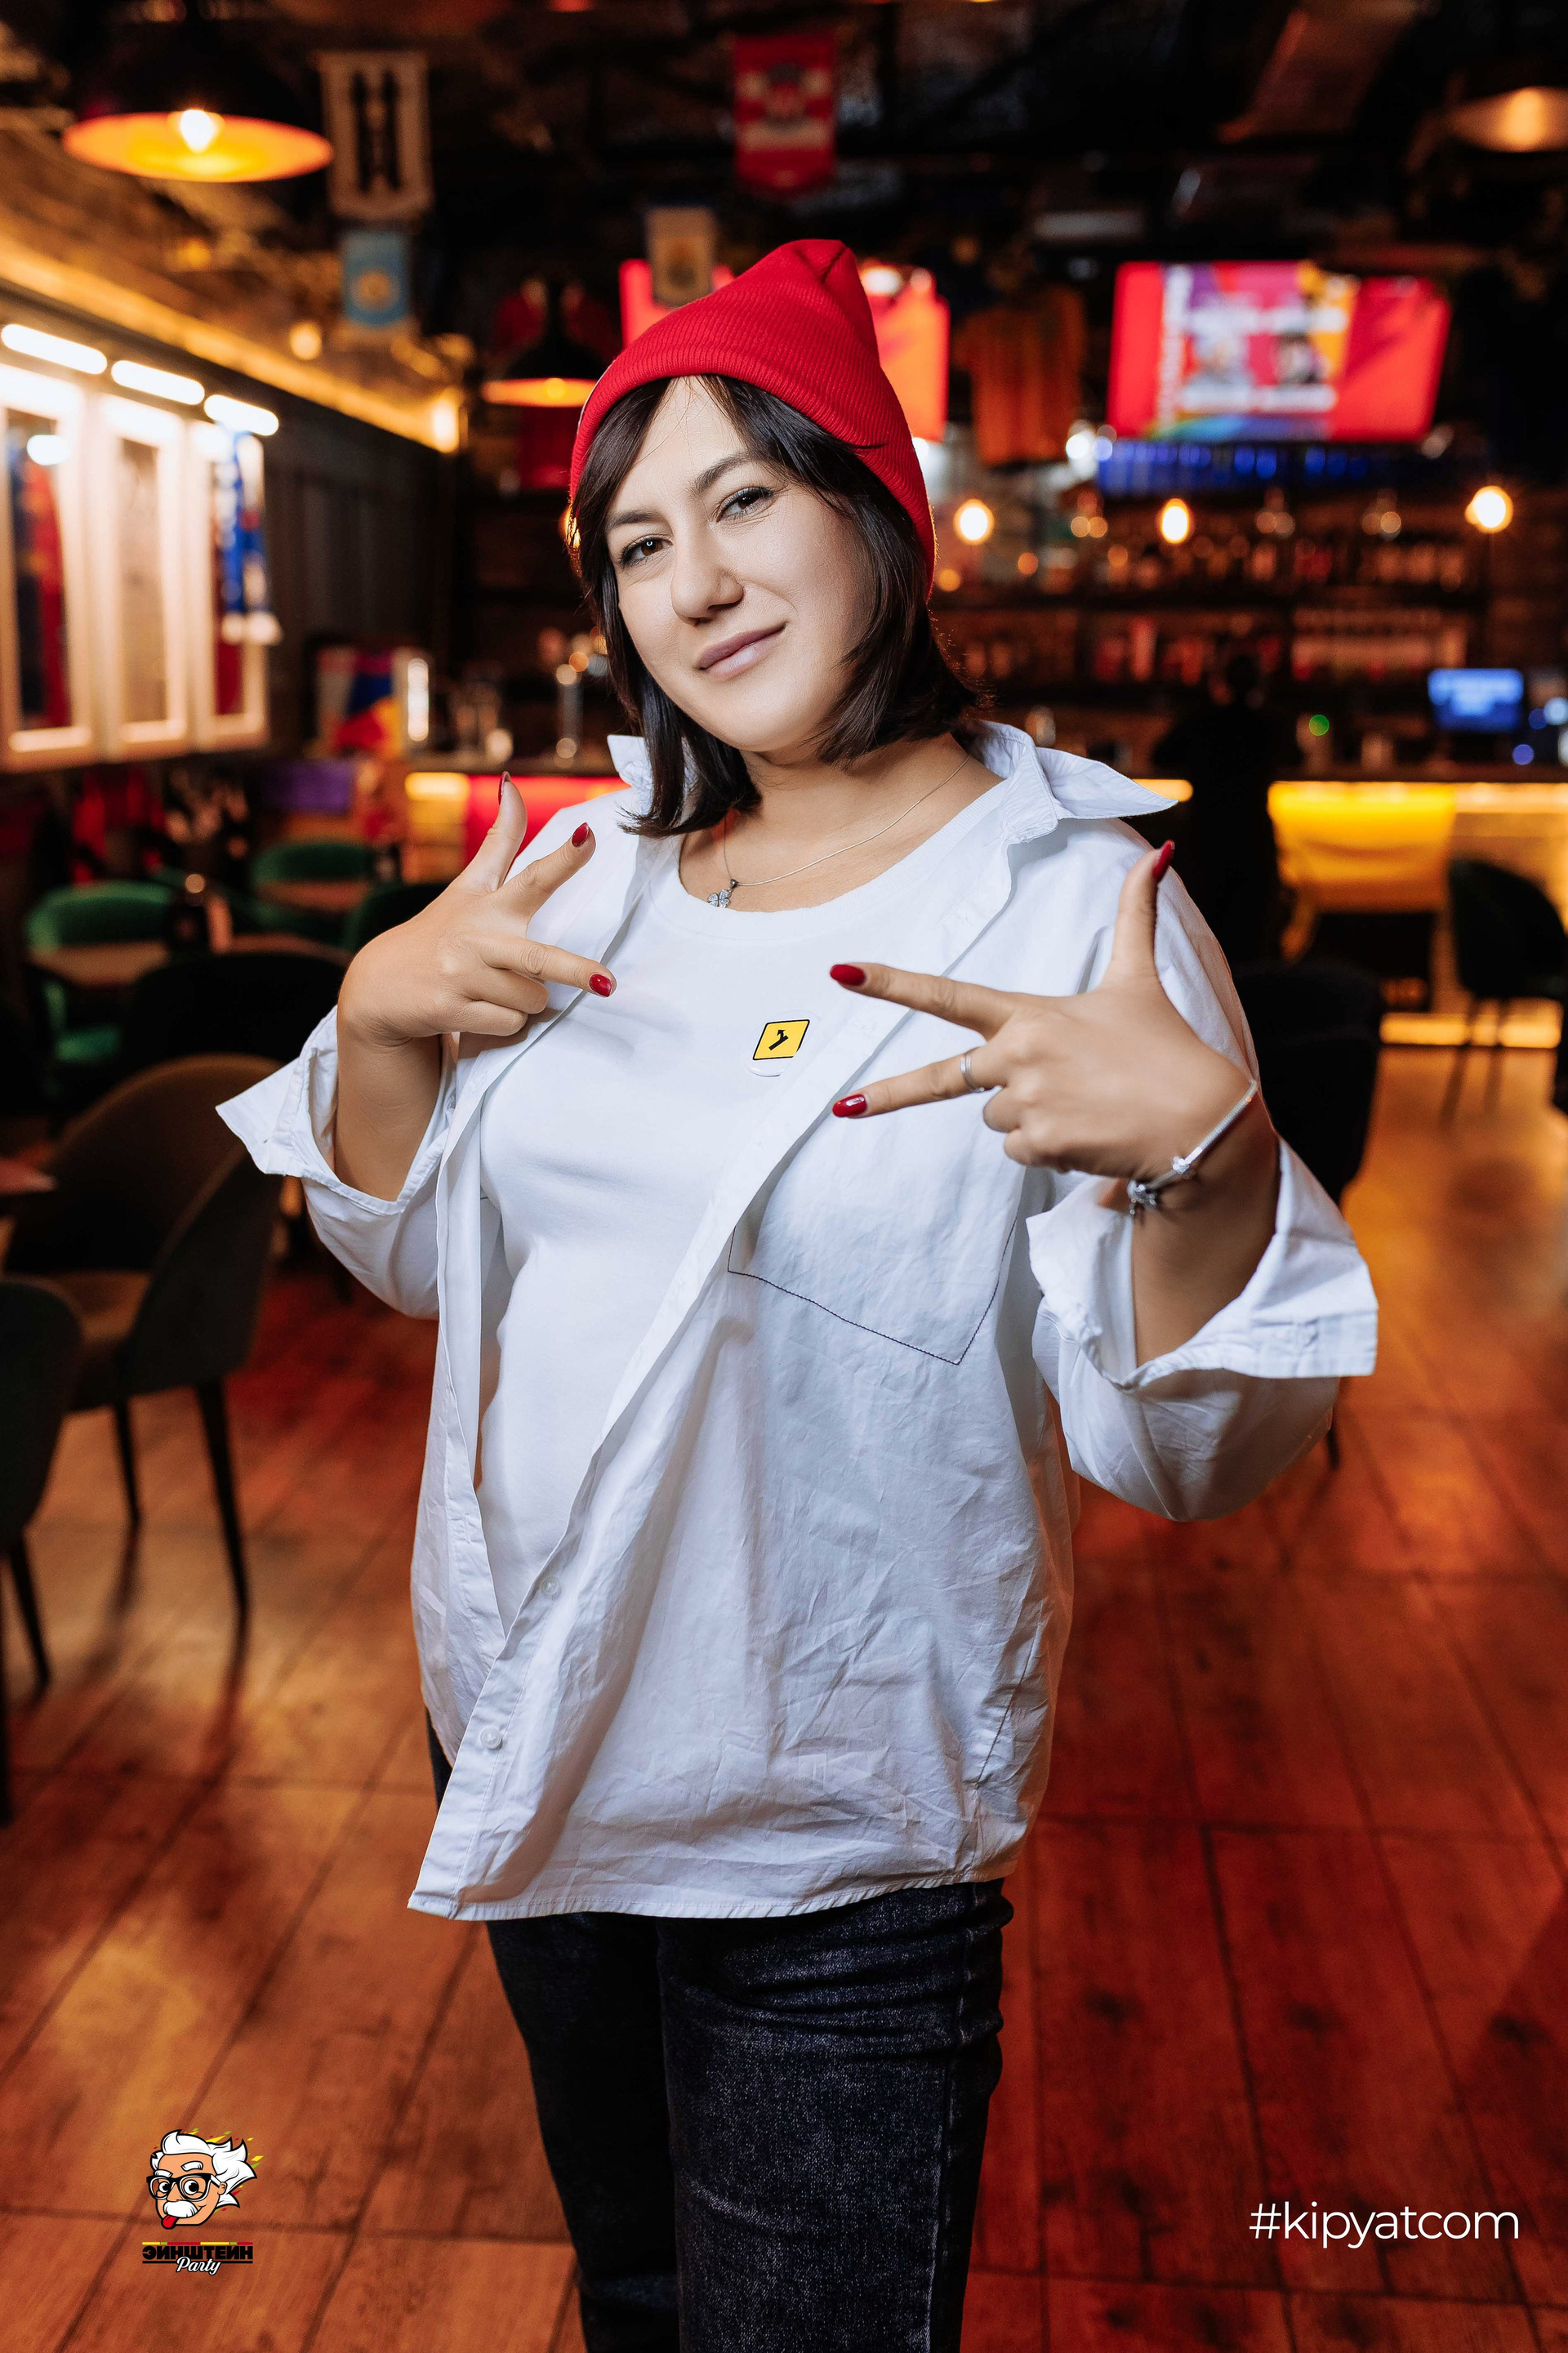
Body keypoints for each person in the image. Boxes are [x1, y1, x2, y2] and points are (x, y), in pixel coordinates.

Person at [220, 241, 1377, 2353]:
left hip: (828, 1814)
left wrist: (1213, 1168)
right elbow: (411, 1262)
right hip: (531, 1725)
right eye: (639, 542)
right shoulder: (586, 871)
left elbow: (1187, 1453)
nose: (697, 583)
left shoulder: (1072, 901)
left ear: (876, 511)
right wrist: (378, 1026)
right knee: (640, 2293)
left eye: (747, 498)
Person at [1151, 651, 1293, 966]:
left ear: (1221, 683)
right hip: (1252, 839)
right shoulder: (1270, 725)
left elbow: (1160, 756)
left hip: (1206, 838)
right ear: (1259, 685)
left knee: (1206, 933)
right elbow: (1296, 758)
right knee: (1253, 938)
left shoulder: (1200, 722)